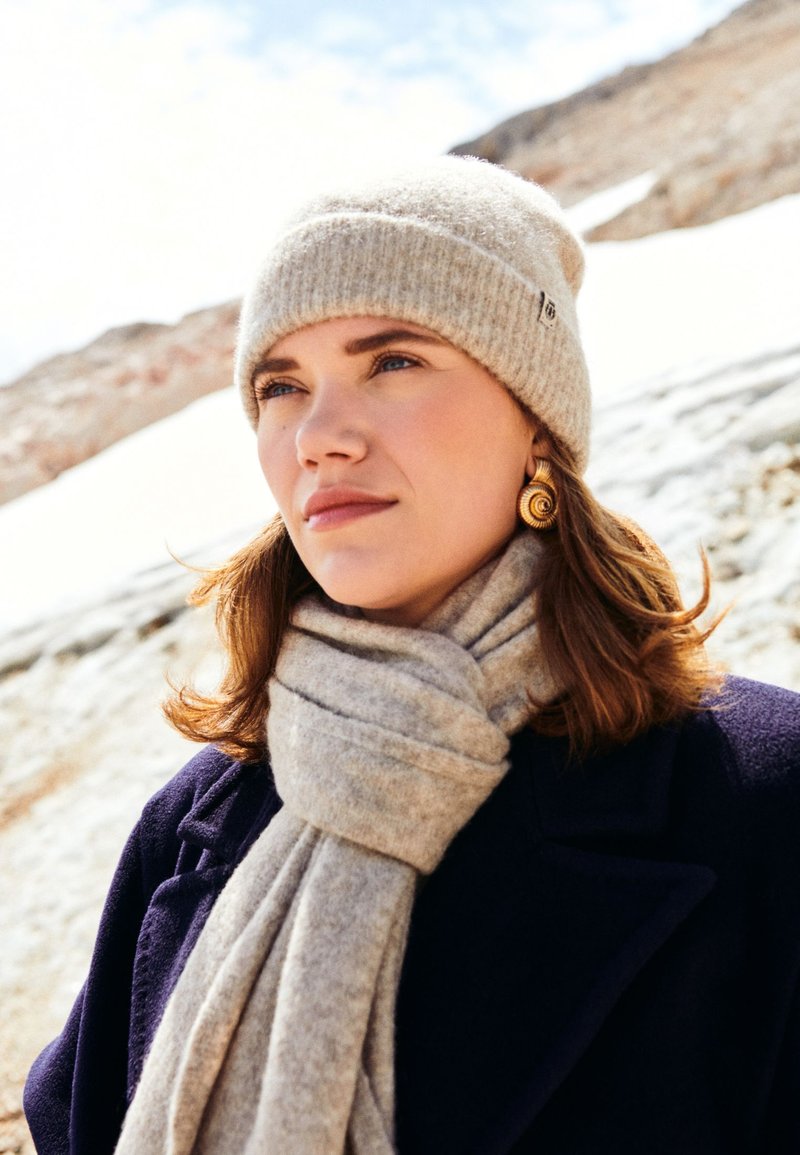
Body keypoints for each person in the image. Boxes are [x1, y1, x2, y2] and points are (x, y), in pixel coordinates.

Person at [24, 156, 800, 1154]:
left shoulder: (758, 794)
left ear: (536, 421)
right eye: (280, 386)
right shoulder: (197, 821)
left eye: (392, 361)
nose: (317, 436)